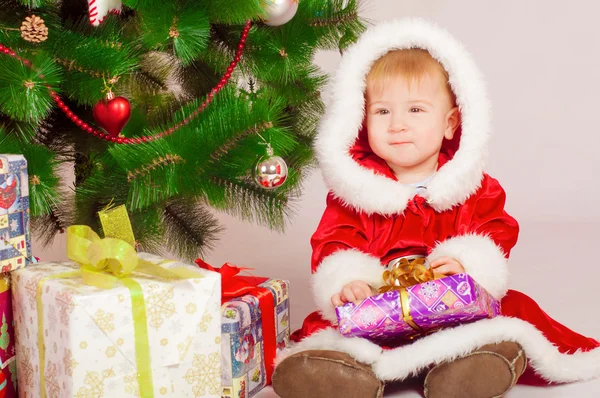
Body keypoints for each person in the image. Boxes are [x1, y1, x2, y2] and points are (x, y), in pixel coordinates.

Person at [271, 18, 600, 398]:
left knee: (513, 309)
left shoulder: (470, 187)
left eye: (415, 110)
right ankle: (344, 374)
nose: (397, 125)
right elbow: (335, 241)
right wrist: (349, 282)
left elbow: (494, 230)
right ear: (361, 122)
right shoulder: (357, 194)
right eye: (382, 112)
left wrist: (466, 264)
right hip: (383, 309)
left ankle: (469, 366)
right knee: (330, 329)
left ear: (450, 123)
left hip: (453, 308)